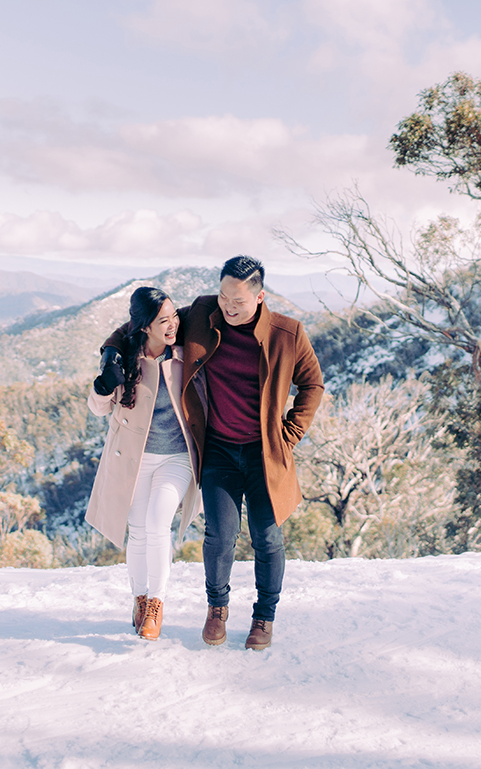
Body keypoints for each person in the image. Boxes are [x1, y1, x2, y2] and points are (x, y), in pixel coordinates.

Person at [102, 256, 323, 650]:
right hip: (218, 448)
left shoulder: (288, 334)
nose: (228, 306)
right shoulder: (203, 313)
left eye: (237, 300)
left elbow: (313, 385)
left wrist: (289, 434)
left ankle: (263, 617)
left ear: (260, 297)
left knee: (267, 537)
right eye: (223, 296)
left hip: (265, 453)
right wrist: (111, 354)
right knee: (219, 536)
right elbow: (143, 325)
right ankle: (216, 609)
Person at [86, 286, 203, 641]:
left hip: (178, 456)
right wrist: (105, 384)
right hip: (136, 457)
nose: (172, 326)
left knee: (156, 524)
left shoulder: (185, 354)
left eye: (174, 318)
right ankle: (138, 598)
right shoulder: (125, 358)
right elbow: (97, 408)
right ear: (144, 327)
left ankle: (156, 603)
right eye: (162, 321)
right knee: (136, 529)